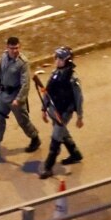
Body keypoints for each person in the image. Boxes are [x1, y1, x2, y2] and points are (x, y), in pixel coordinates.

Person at [0, 36, 41, 158]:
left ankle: (35, 138)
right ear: (7, 48)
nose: (15, 51)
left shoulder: (23, 63)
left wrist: (18, 99)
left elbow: (25, 84)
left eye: (17, 48)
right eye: (12, 48)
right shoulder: (4, 57)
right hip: (3, 94)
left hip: (15, 95)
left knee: (23, 121)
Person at [38, 46, 84, 179]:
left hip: (64, 113)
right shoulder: (55, 74)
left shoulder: (72, 79)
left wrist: (79, 116)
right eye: (56, 58)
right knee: (62, 133)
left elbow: (79, 99)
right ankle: (75, 154)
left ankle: (48, 166)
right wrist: (43, 109)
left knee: (56, 137)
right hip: (54, 110)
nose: (56, 60)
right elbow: (47, 91)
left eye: (60, 58)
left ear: (67, 61)